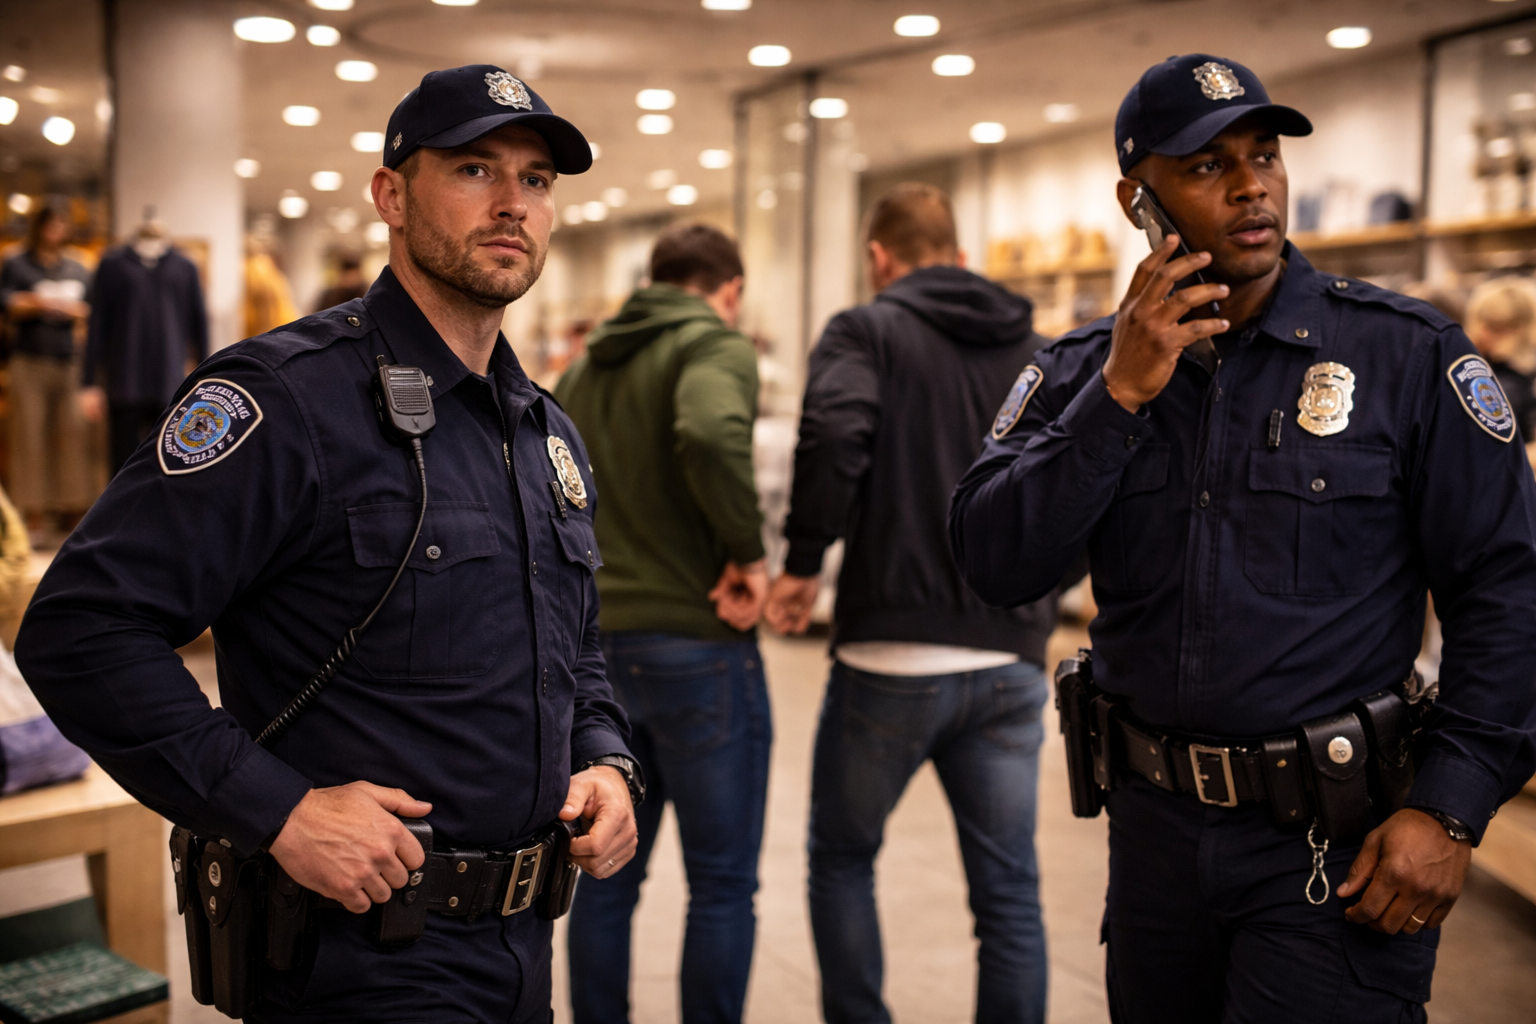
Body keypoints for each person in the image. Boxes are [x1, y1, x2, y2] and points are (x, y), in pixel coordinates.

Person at [15, 64, 642, 1023]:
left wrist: (603, 756)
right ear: (391, 195)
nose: (514, 203)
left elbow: (577, 640)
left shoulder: (542, 429)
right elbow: (82, 629)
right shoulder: (287, 398)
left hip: (520, 951)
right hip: (358, 960)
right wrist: (278, 809)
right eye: (475, 170)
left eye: (537, 180)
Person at [950, 54, 1536, 1023]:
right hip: (1154, 850)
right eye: (1207, 165)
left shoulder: (1405, 357)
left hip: (1331, 847)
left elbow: (1509, 593)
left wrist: (1452, 804)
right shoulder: (1083, 372)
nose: (1252, 184)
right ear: (1139, 199)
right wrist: (1119, 399)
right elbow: (991, 561)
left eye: (1263, 156)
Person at [765, 182, 1058, 1024]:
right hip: (1010, 657)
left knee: (844, 858)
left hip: (890, 654)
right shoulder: (1038, 347)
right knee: (1008, 894)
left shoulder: (867, 329)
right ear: (962, 257)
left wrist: (804, 562)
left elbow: (836, 430)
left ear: (878, 258)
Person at [557, 223, 770, 1024]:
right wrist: (747, 554)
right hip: (699, 645)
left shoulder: (581, 369)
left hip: (600, 655)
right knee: (721, 882)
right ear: (729, 289)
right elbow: (710, 432)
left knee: (607, 872)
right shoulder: (715, 346)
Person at [81, 219, 209, 473]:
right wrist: (88, 382)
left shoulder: (185, 266)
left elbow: (200, 324)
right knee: (121, 463)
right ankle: (120, 513)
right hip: (123, 381)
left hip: (169, 382)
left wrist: (204, 377)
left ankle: (164, 513)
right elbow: (97, 325)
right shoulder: (112, 265)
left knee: (169, 460)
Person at [0, 204, 95, 538]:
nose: (55, 230)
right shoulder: (15, 261)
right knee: (29, 436)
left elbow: (91, 308)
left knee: (71, 435)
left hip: (68, 359)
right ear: (38, 226)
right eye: (50, 224)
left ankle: (70, 510)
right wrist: (36, 303)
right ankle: (33, 513)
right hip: (28, 358)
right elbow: (7, 302)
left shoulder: (78, 265)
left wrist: (70, 310)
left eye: (61, 224)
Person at [1464, 277, 1536, 444]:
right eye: (1484, 325)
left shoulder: (1518, 380)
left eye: (1497, 328)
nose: (1483, 333)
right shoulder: (1477, 371)